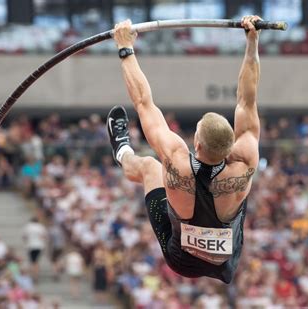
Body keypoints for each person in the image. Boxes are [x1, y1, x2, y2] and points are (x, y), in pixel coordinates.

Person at [108, 15, 261, 284]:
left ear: (197, 143)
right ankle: (121, 150)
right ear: (229, 145)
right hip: (224, 263)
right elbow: (247, 100)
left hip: (181, 259)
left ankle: (122, 151)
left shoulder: (177, 159)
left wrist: (125, 48)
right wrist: (252, 42)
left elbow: (144, 103)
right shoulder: (244, 160)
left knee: (149, 167)